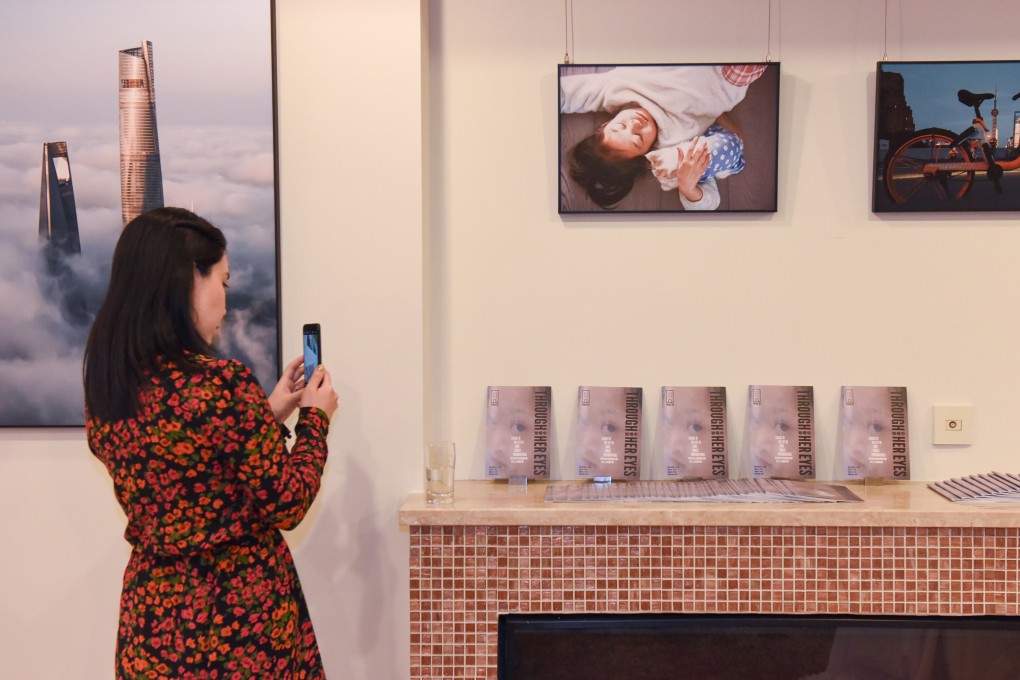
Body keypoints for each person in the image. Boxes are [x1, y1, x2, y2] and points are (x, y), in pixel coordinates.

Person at [82, 207, 339, 679]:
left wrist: (268, 411)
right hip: (238, 621)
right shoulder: (220, 385)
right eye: (222, 283)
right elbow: (287, 501)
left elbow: (192, 457)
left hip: (153, 620)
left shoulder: (110, 383)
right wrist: (314, 420)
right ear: (187, 283)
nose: (226, 302)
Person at [560, 64, 765, 210]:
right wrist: (688, 188)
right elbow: (709, 203)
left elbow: (564, 93)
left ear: (605, 124)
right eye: (638, 138)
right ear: (646, 153)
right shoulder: (669, 148)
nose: (635, 124)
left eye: (621, 125)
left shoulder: (612, 91)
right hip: (724, 77)